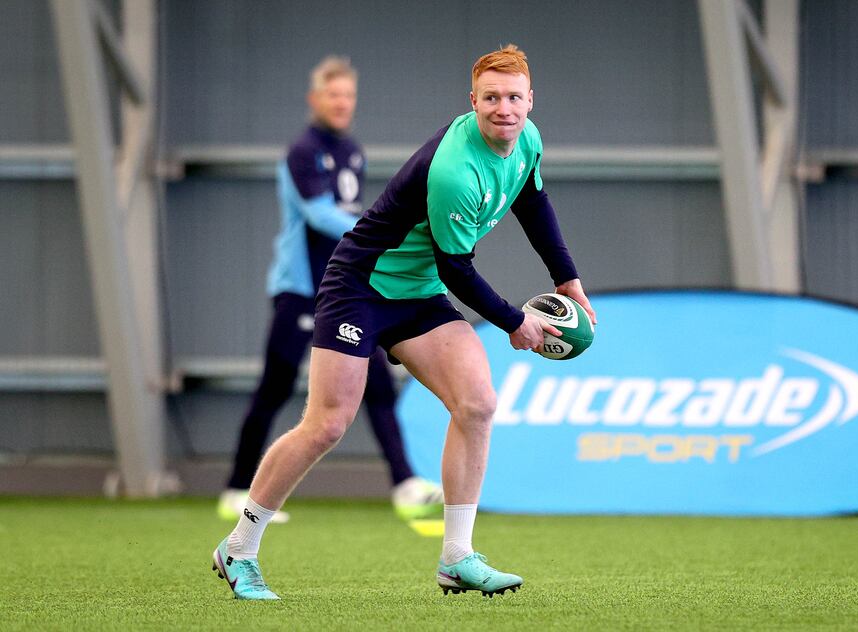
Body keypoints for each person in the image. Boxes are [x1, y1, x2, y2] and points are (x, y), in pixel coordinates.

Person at [211, 44, 596, 600]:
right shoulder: (455, 171)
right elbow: (456, 268)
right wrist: (515, 322)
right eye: (491, 97)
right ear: (473, 101)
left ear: (531, 101)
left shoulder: (526, 142)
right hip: (361, 286)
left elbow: (532, 205)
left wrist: (568, 280)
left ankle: (457, 557)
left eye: (514, 97)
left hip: (417, 291)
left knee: (478, 403)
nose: (503, 109)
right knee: (327, 423)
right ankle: (239, 547)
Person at [216, 55, 443, 527]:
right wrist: (380, 232)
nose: (342, 103)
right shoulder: (303, 150)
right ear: (314, 99)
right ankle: (236, 489)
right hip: (301, 289)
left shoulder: (353, 151)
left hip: (348, 290)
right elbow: (320, 215)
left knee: (379, 384)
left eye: (348, 95)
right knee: (276, 386)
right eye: (333, 94)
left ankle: (405, 483)